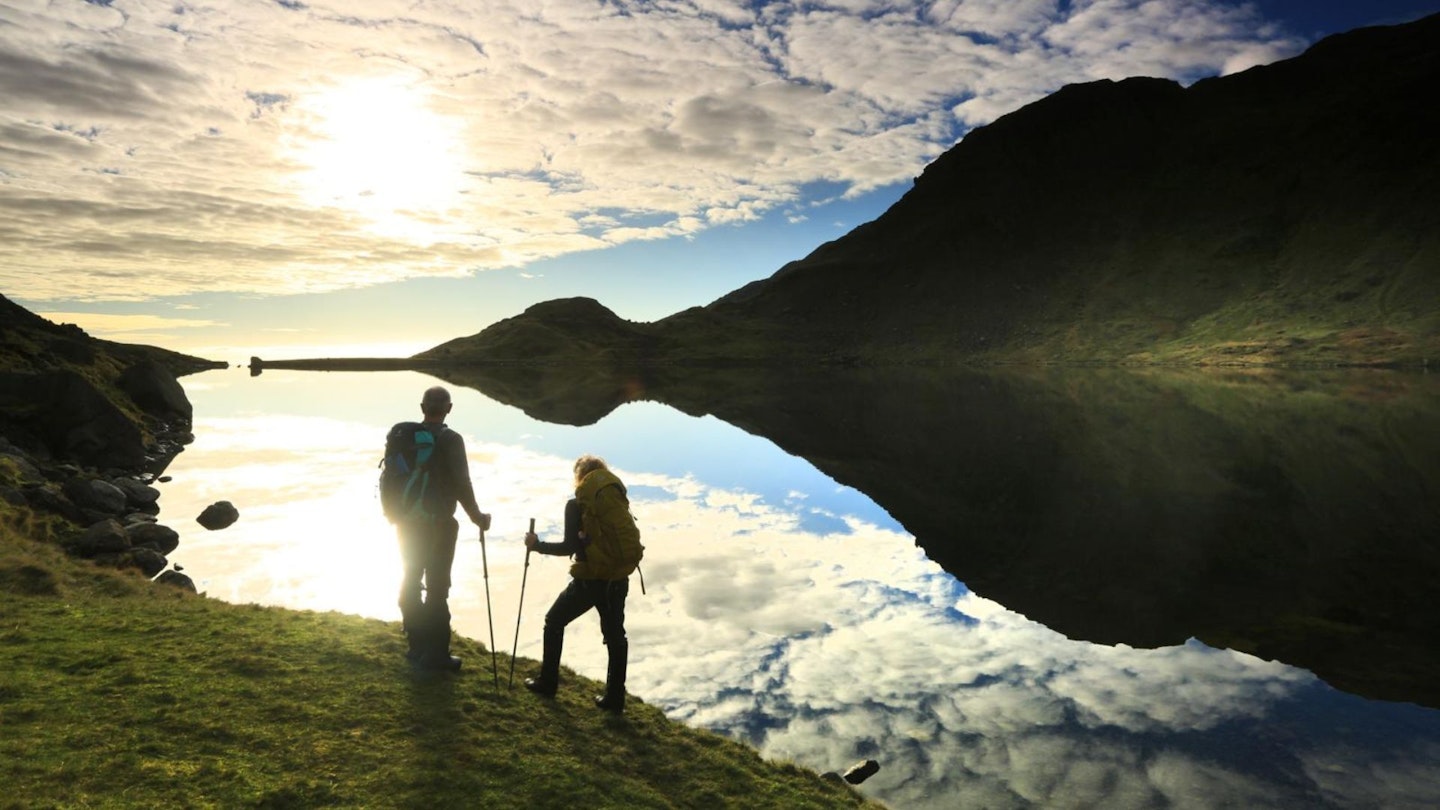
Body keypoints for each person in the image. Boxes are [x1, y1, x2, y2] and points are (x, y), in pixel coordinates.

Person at [523, 454, 642, 712]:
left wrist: (537, 546)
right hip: (618, 577)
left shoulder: (577, 504)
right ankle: (614, 698)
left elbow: (569, 546)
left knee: (554, 620)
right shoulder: (615, 499)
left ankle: (548, 682)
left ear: (579, 478)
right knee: (615, 637)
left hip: (591, 580)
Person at [394, 386, 490, 672]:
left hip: (406, 521)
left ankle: (416, 646)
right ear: (449, 409)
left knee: (411, 578)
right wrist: (477, 516)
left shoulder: (405, 437)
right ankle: (436, 655)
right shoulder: (451, 439)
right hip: (439, 524)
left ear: (422, 407)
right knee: (437, 586)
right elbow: (462, 483)